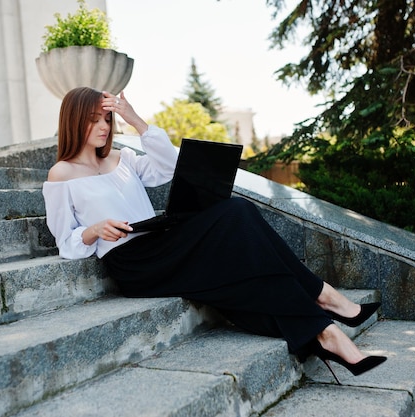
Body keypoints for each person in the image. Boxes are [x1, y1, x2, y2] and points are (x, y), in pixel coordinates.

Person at [42, 86, 387, 384]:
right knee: (236, 215)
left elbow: (167, 166)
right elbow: (66, 242)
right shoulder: (62, 175)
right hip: (134, 262)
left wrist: (135, 119)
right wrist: (93, 230)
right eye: (93, 119)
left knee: (241, 234)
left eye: (107, 119)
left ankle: (323, 333)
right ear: (74, 119)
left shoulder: (123, 158)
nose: (103, 126)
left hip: (159, 239)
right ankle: (325, 301)